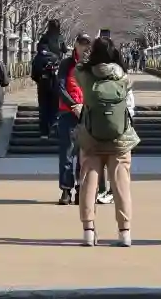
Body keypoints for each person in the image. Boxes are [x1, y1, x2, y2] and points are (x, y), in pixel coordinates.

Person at [74, 36, 138, 247]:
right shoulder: (124, 77)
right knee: (121, 185)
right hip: (120, 139)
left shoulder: (85, 75)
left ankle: (88, 232)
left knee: (88, 182)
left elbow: (77, 67)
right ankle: (125, 232)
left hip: (91, 138)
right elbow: (130, 108)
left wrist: (87, 57)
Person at [54, 34, 90, 204]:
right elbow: (60, 87)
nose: (84, 47)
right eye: (81, 44)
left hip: (87, 114)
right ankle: (66, 190)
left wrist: (85, 107)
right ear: (75, 45)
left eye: (87, 44)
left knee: (84, 154)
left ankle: (81, 189)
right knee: (66, 153)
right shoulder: (66, 64)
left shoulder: (92, 65)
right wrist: (74, 105)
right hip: (67, 113)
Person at [31, 38, 63, 138]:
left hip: (42, 86)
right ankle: (54, 128)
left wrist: (39, 80)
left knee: (43, 108)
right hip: (54, 85)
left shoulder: (37, 58)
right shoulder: (55, 57)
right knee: (54, 107)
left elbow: (33, 75)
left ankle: (44, 132)